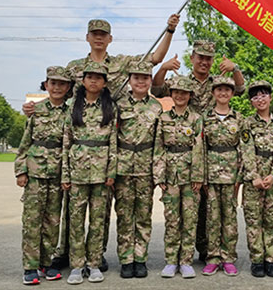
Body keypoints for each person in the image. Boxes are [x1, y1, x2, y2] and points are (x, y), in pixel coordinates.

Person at [22, 15, 179, 271]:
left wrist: (170, 30)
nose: (98, 37)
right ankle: (67, 253)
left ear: (110, 39)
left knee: (101, 210)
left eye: (103, 34)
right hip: (76, 141)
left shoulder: (120, 63)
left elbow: (154, 58)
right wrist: (34, 108)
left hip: (109, 139)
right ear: (87, 37)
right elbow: (58, 94)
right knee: (72, 207)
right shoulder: (74, 67)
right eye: (94, 33)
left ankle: (97, 254)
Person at [152, 40, 245, 261]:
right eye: (200, 57)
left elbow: (240, 89)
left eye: (208, 58)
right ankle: (183, 252)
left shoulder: (218, 83)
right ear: (192, 58)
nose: (204, 62)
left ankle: (205, 250)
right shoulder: (182, 82)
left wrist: (236, 69)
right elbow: (156, 89)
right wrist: (163, 68)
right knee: (187, 208)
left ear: (213, 61)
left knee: (208, 208)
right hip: (186, 153)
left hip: (212, 153)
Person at [61, 62, 117, 285]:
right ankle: (76, 265)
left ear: (104, 83)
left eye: (99, 77)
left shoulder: (109, 108)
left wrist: (111, 172)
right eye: (90, 77)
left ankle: (93, 263)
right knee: (75, 221)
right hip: (78, 173)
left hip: (101, 174)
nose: (94, 81)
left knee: (97, 221)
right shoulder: (73, 107)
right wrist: (65, 174)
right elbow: (67, 142)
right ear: (82, 81)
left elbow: (113, 143)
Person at [14, 66, 72, 285]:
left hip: (58, 176)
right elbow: (24, 143)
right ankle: (29, 267)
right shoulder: (35, 110)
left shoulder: (70, 114)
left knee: (52, 222)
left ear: (68, 88)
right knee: (32, 221)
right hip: (36, 174)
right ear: (46, 85)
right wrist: (21, 171)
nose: (57, 87)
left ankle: (46, 264)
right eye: (53, 83)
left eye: (61, 84)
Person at [113, 61, 162, 279]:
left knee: (143, 216)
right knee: (124, 215)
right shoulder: (119, 105)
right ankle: (126, 258)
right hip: (123, 167)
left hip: (145, 168)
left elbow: (159, 142)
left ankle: (140, 258)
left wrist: (157, 171)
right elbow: (112, 138)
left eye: (145, 77)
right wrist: (111, 168)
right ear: (130, 80)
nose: (141, 81)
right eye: (136, 78)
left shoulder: (156, 107)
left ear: (150, 81)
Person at [153, 76, 205, 279]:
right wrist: (160, 177)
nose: (180, 95)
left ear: (190, 95)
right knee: (172, 219)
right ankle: (171, 260)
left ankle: (186, 261)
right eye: (176, 92)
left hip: (190, 175)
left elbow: (200, 148)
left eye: (184, 92)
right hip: (170, 175)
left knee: (190, 219)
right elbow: (158, 148)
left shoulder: (196, 119)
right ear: (171, 94)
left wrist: (198, 176)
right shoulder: (164, 118)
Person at [200, 76, 248, 276]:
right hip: (211, 174)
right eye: (219, 90)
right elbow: (200, 148)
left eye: (227, 90)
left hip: (231, 175)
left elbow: (244, 148)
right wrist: (202, 176)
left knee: (229, 218)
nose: (223, 93)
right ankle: (212, 257)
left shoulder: (239, 119)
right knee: (212, 218)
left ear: (232, 93)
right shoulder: (204, 118)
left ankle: (228, 257)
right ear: (213, 93)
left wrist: (240, 178)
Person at [241, 80, 273, 278]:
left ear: (270, 97)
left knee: (271, 221)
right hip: (253, 182)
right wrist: (254, 176)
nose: (260, 99)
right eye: (255, 96)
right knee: (253, 220)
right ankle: (257, 260)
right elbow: (246, 151)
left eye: (264, 94)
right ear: (251, 101)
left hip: (272, 182)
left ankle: (270, 259)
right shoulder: (247, 124)